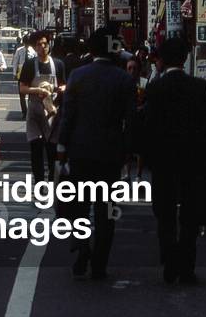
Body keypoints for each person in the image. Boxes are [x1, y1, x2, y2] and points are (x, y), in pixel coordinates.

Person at [57, 28, 137, 281]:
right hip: (111, 155)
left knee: (79, 206)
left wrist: (61, 149)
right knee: (107, 212)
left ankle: (82, 247)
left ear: (90, 50)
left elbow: (68, 116)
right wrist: (128, 152)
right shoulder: (124, 79)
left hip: (80, 152)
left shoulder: (78, 76)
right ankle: (100, 264)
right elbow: (131, 120)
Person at [139, 37, 206, 286]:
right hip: (193, 161)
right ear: (185, 59)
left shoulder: (155, 89)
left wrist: (145, 159)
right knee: (190, 215)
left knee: (165, 214)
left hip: (163, 162)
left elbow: (147, 128)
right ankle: (187, 267)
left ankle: (170, 262)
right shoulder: (200, 87)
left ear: (161, 59)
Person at [19, 32, 65, 182]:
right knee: (36, 148)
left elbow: (63, 83)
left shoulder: (58, 64)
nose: (43, 47)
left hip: (52, 110)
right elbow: (23, 88)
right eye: (39, 44)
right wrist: (38, 90)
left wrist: (61, 89)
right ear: (35, 47)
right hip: (35, 110)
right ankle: (39, 181)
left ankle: (52, 179)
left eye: (45, 44)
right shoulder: (29, 64)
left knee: (52, 149)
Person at [12, 35, 35, 118]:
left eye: (28, 44)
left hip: (31, 73)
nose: (26, 45)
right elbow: (15, 62)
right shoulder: (19, 50)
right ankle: (24, 112)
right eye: (25, 43)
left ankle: (30, 112)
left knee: (31, 93)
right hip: (21, 73)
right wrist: (14, 73)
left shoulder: (33, 51)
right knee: (22, 94)